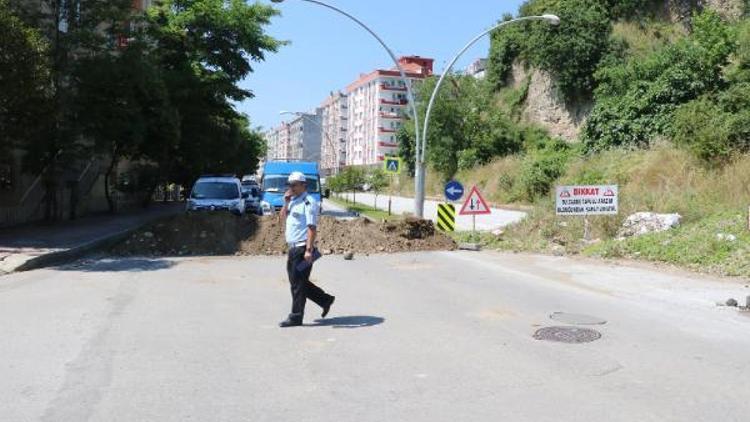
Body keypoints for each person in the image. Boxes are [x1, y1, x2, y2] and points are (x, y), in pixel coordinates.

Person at [278, 171, 335, 328]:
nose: (291, 188)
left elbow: (311, 228)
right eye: (290, 185)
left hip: (303, 248)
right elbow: (281, 218)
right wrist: (286, 202)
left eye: (294, 185)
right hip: (293, 248)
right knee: (297, 282)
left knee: (297, 284)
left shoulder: (309, 202)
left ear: (304, 185)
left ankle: (296, 316)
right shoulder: (293, 201)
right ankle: (325, 300)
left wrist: (309, 250)